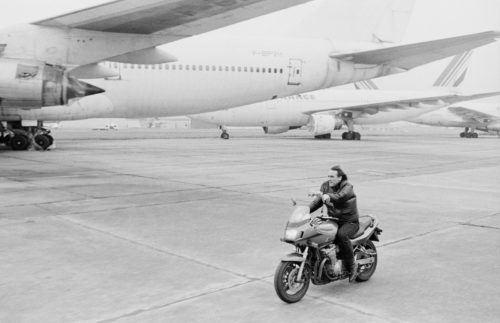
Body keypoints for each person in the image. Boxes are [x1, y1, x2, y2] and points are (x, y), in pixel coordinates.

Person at [309, 165, 359, 282]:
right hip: (333, 219)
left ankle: (352, 267)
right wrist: (306, 210)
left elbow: (340, 197)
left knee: (342, 235)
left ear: (340, 178)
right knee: (317, 232)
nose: (329, 178)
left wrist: (327, 196)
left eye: (332, 176)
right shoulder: (326, 185)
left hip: (349, 221)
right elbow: (317, 202)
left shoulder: (347, 186)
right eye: (328, 176)